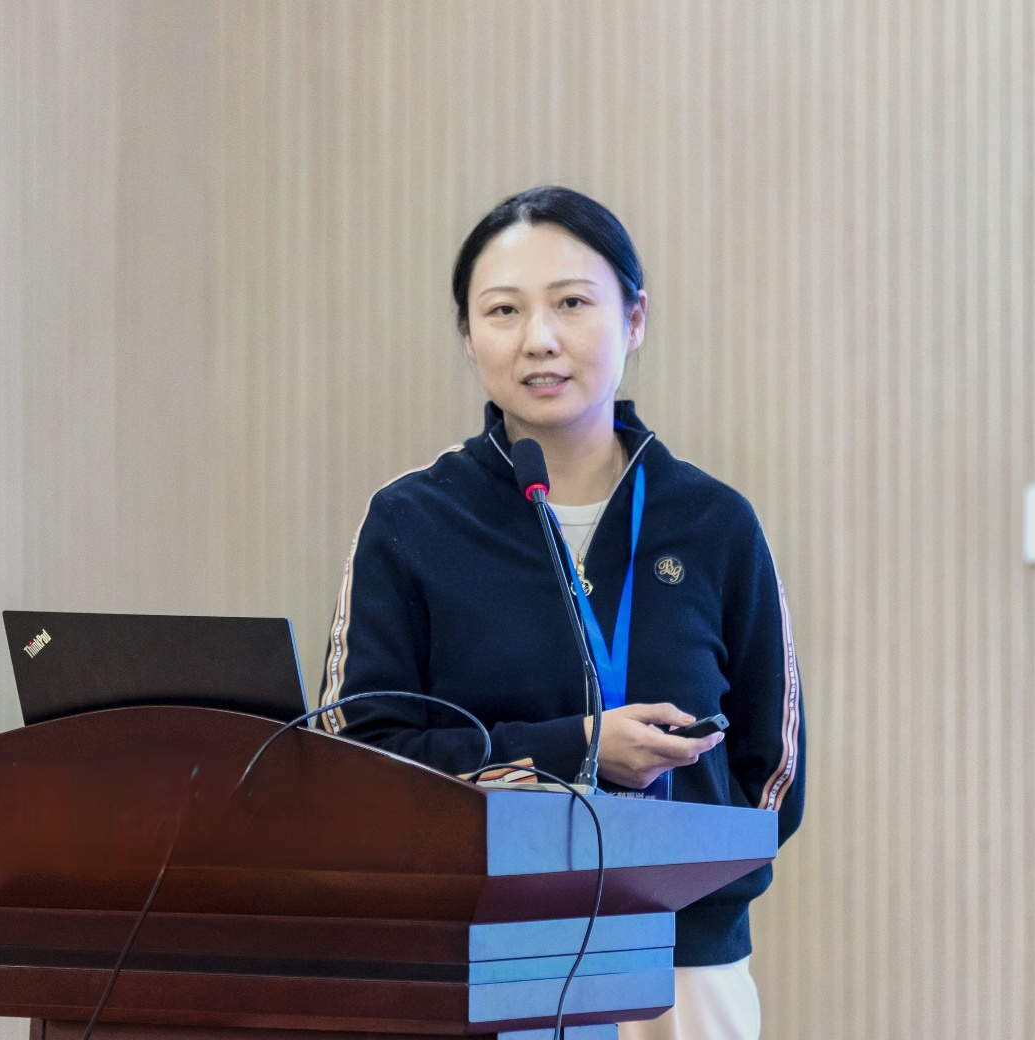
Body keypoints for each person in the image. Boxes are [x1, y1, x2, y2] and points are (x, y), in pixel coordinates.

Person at [318, 186, 804, 1040]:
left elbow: (773, 769)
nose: (538, 339)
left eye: (572, 303)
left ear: (634, 318)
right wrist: (572, 747)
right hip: (475, 958)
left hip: (679, 968)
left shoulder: (712, 522)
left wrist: (680, 889)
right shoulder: (412, 522)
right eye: (502, 310)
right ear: (468, 334)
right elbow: (357, 759)